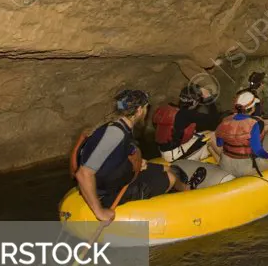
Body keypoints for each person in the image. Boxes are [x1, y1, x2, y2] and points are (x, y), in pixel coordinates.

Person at [72, 89, 187, 223]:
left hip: (116, 179)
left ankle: (188, 192)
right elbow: (83, 173)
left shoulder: (119, 126)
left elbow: (111, 157)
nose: (146, 112)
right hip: (108, 195)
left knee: (167, 168)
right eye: (145, 108)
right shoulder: (115, 134)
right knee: (171, 177)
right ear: (139, 110)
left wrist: (136, 163)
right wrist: (100, 212)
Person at [215, 91, 268, 178]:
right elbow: (258, 150)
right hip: (246, 168)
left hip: (225, 166)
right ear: (253, 109)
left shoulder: (225, 121)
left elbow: (219, 144)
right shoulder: (256, 123)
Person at [152, 84, 222, 162]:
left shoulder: (170, 108)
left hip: (164, 151)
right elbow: (215, 121)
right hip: (174, 156)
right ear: (195, 102)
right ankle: (223, 162)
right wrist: (208, 98)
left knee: (205, 132)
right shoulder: (188, 114)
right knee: (213, 134)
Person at [235, 71, 268, 136]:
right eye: (262, 83)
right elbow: (254, 119)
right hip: (249, 128)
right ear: (260, 85)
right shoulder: (254, 99)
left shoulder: (242, 93)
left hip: (239, 124)